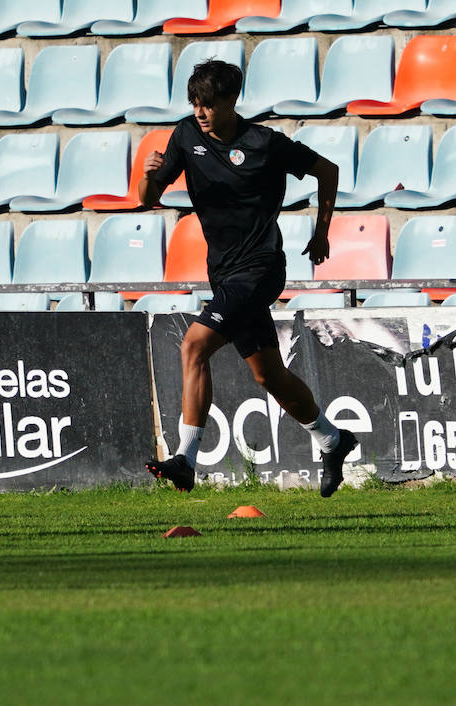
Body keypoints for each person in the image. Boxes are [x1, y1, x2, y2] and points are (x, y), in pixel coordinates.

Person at [139, 60, 355, 496]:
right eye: (195, 103)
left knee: (193, 345)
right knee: (269, 375)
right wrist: (147, 174)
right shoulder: (186, 135)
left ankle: (186, 459)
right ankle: (333, 439)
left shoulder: (265, 143)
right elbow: (148, 199)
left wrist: (321, 232)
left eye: (208, 104)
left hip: (260, 270)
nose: (200, 112)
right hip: (223, 273)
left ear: (231, 101)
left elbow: (327, 170)